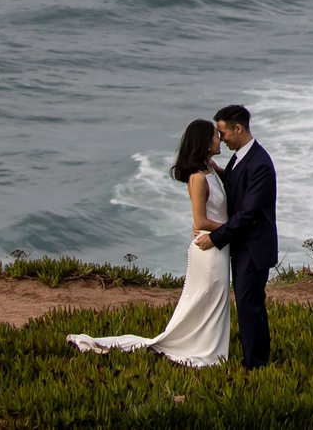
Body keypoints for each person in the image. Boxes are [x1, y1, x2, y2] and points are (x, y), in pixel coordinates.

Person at [65, 120, 231, 365]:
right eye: (216, 136)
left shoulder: (210, 169)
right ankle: (199, 348)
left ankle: (206, 344)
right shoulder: (197, 178)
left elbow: (233, 179)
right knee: (203, 301)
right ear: (205, 143)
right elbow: (200, 220)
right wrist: (235, 228)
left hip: (219, 246)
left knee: (211, 302)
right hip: (209, 249)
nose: (221, 139)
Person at [203, 103, 277, 369]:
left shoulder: (260, 164)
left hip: (255, 247)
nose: (221, 138)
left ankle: (256, 364)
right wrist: (218, 171)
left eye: (223, 133)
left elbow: (248, 214)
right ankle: (256, 357)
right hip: (244, 244)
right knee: (247, 302)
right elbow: (236, 184)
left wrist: (215, 237)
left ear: (238, 128)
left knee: (249, 304)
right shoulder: (240, 157)